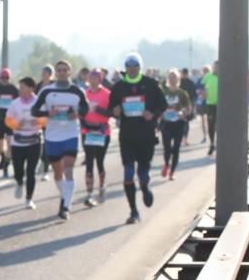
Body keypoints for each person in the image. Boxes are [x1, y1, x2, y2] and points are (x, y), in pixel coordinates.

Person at [109, 51, 166, 224]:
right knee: (127, 174)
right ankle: (133, 211)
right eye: (129, 66)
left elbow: (162, 105)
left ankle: (145, 187)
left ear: (140, 67)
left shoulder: (150, 84)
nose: (132, 69)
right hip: (127, 135)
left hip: (146, 135)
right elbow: (111, 108)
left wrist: (153, 114)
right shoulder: (119, 87)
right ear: (125, 68)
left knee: (142, 173)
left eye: (135, 66)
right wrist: (115, 111)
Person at [30, 60, 89, 220]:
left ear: (70, 72)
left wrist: (76, 114)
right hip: (52, 136)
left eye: (65, 70)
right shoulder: (47, 91)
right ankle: (65, 196)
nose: (62, 72)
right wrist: (48, 114)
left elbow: (86, 108)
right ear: (55, 73)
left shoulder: (77, 91)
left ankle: (66, 206)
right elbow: (34, 110)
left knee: (68, 170)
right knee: (58, 173)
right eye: (59, 70)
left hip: (70, 135)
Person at [4, 76, 41, 208]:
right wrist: (17, 125)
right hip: (18, 142)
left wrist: (38, 122)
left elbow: (45, 118)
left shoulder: (38, 101)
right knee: (18, 170)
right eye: (20, 87)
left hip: (34, 141)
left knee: (31, 172)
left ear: (31, 88)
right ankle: (19, 182)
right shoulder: (15, 103)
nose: (20, 89)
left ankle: (29, 199)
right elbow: (8, 120)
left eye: (23, 87)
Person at [82, 69, 112, 206]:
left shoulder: (107, 94)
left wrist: (97, 110)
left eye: (96, 78)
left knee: (99, 161)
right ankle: (89, 194)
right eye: (91, 78)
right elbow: (80, 111)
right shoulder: (84, 94)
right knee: (89, 162)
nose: (93, 81)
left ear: (100, 80)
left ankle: (101, 185)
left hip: (102, 132)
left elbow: (112, 113)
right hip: (87, 131)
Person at [160, 69, 192, 180]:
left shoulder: (182, 93)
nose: (172, 79)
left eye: (174, 77)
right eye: (170, 77)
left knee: (176, 148)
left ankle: (172, 171)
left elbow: (189, 109)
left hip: (178, 124)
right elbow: (158, 107)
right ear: (168, 79)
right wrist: (162, 113)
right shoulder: (164, 92)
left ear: (178, 79)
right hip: (166, 123)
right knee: (167, 148)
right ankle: (166, 164)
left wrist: (182, 113)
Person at [0, 68, 20, 178]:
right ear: (0, 78)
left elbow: (18, 104)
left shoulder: (13, 89)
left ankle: (6, 165)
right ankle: (3, 157)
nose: (5, 80)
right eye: (3, 78)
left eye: (7, 78)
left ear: (9, 78)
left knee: (10, 145)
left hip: (10, 120)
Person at [201, 60, 219, 155]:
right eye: (215, 67)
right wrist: (203, 93)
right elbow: (201, 86)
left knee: (220, 126)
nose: (217, 68)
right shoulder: (208, 76)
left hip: (221, 105)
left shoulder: (224, 76)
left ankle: (220, 144)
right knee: (211, 125)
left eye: (219, 67)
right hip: (210, 104)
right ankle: (212, 143)